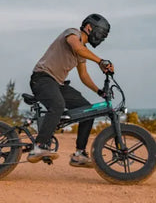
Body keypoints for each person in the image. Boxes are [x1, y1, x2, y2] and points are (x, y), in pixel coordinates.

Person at [28, 13, 114, 167]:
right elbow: (77, 47)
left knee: (88, 110)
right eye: (100, 34)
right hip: (42, 78)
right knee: (57, 105)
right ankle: (39, 146)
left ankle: (79, 154)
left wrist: (100, 92)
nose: (100, 38)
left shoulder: (83, 51)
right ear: (89, 27)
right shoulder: (72, 33)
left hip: (57, 84)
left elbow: (84, 76)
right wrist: (100, 61)